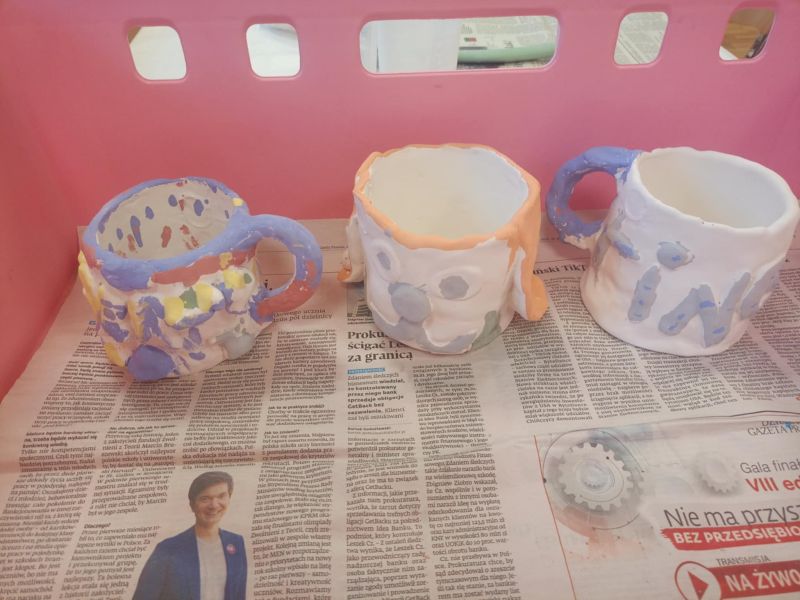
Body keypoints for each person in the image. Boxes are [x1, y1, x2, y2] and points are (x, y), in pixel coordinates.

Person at [133, 471, 247, 600]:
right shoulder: (167, 549)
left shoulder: (237, 542)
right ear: (192, 505)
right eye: (205, 498)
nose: (214, 505)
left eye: (221, 496)